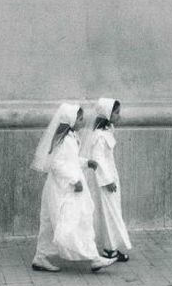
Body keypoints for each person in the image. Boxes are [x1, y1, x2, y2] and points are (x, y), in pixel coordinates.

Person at [30, 103, 116, 272]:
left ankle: (40, 257)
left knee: (52, 223)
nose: (83, 121)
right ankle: (93, 257)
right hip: (65, 188)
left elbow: (71, 160)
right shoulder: (63, 140)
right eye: (80, 118)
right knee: (77, 220)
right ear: (71, 119)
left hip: (63, 186)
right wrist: (73, 180)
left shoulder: (70, 137)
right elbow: (56, 163)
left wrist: (86, 162)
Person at [82, 98, 131, 261]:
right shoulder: (99, 136)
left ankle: (112, 247)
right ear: (108, 114)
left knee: (112, 212)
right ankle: (110, 249)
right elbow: (98, 160)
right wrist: (107, 180)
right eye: (116, 113)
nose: (119, 116)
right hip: (104, 180)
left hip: (110, 177)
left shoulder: (107, 132)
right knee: (109, 213)